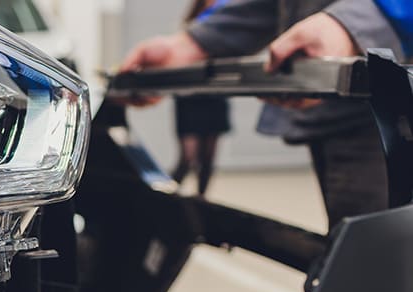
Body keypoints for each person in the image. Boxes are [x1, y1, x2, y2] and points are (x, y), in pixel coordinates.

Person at [121, 0, 405, 231]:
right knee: (361, 266)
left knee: (380, 269)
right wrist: (192, 44)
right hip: (340, 112)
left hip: (391, 117)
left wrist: (359, 21)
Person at [173, 0, 231, 196]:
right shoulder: (190, 29)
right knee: (188, 158)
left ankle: (201, 200)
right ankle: (166, 198)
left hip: (213, 98)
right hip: (189, 100)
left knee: (208, 159)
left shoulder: (227, 26)